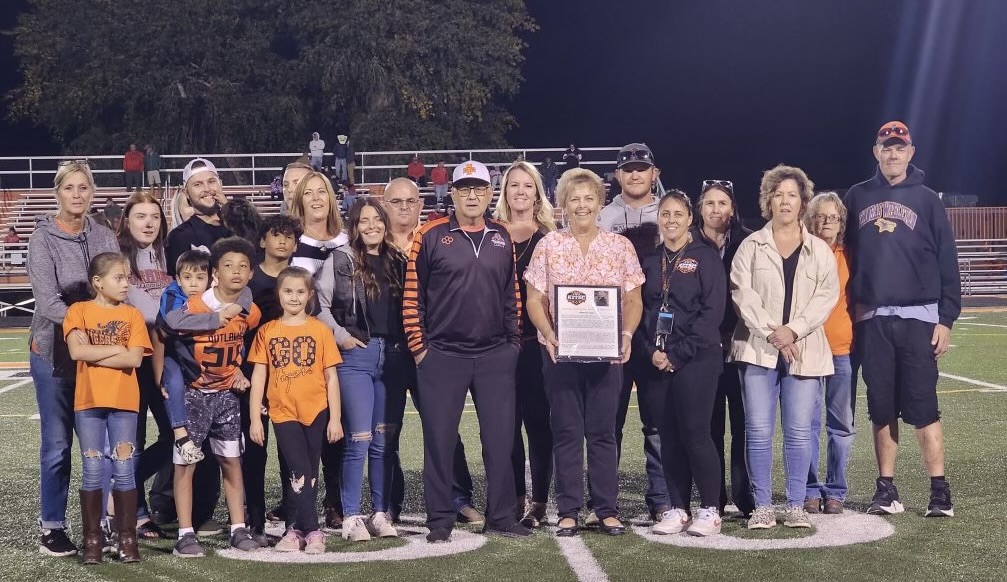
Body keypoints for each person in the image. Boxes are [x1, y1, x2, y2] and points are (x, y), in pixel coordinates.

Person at [403, 159, 529, 542]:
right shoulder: (428, 234)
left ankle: (502, 516)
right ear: (451, 194)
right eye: (464, 189)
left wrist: (512, 344)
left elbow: (513, 295)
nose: (472, 196)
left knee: (500, 439)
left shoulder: (501, 236)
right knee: (439, 440)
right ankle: (439, 520)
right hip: (442, 355)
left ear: (489, 194)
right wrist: (420, 349)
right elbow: (413, 298)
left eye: (479, 189)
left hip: (495, 356)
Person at [843, 121, 960, 517]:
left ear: (911, 153)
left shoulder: (928, 200)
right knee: (881, 408)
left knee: (924, 408)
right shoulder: (857, 196)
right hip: (872, 320)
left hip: (918, 319)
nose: (892, 153)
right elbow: (846, 256)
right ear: (875, 151)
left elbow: (948, 261)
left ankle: (939, 492)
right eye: (886, 147)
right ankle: (886, 489)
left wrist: (946, 319)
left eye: (899, 147)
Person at [524, 168, 644, 537]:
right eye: (573, 199)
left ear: (600, 202)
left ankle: (606, 509)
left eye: (588, 198)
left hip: (606, 355)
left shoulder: (620, 246)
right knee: (566, 432)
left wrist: (626, 334)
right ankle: (569, 510)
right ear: (562, 204)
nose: (581, 205)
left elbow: (633, 299)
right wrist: (548, 333)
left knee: (604, 433)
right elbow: (534, 299)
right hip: (561, 354)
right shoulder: (549, 245)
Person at [729, 164, 838, 530]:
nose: (786, 201)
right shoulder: (750, 246)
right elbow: (742, 295)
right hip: (757, 350)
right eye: (779, 195)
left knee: (798, 432)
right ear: (768, 201)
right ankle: (761, 506)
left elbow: (827, 296)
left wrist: (793, 330)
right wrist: (772, 332)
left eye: (792, 195)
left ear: (803, 201)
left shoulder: (819, 250)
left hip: (805, 350)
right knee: (758, 430)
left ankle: (794, 505)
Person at [29, 160, 119, 557]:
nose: (77, 195)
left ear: (92, 191)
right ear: (57, 193)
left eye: (84, 188)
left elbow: (118, 286)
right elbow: (48, 302)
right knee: (57, 445)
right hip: (54, 351)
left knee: (97, 443)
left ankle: (99, 523)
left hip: (96, 351)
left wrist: (103, 334)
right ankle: (52, 525)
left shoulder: (103, 234)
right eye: (70, 188)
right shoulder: (42, 237)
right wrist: (87, 326)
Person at [382, 177, 482, 525]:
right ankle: (389, 503)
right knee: (386, 430)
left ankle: (458, 497)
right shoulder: (372, 245)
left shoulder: (437, 239)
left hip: (431, 350)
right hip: (389, 352)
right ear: (385, 206)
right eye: (397, 202)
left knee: (445, 428)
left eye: (411, 201)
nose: (405, 207)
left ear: (421, 205)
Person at [316, 199, 409, 541]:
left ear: (385, 223)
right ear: (353, 226)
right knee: (359, 439)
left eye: (377, 220)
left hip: (394, 357)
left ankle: (380, 513)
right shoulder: (340, 259)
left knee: (385, 442)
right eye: (363, 221)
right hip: (357, 356)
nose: (372, 226)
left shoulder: (398, 260)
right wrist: (341, 336)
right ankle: (351, 516)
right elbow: (318, 304)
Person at [165, 237, 262, 558]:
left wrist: (241, 369)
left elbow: (250, 342)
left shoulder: (251, 311)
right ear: (215, 274)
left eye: (243, 266)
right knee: (185, 465)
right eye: (228, 266)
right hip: (194, 396)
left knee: (232, 462)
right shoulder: (195, 306)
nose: (236, 272)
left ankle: (238, 528)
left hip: (227, 398)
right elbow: (169, 335)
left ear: (250, 274)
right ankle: (185, 533)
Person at [638, 192, 726, 536]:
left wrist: (677, 354)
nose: (671, 219)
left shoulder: (706, 258)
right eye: (665, 213)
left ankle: (710, 509)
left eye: (678, 213)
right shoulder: (650, 260)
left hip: (696, 360)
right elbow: (640, 313)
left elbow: (711, 314)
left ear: (690, 218)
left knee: (696, 434)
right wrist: (652, 352)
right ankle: (677, 507)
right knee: (668, 436)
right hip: (657, 361)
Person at [64, 252, 153, 564]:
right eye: (119, 278)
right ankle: (93, 539)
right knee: (92, 468)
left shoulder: (132, 315)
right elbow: (76, 351)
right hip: (88, 401)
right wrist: (116, 347)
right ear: (98, 283)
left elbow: (135, 359)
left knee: (124, 468)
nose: (126, 283)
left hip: (125, 401)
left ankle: (127, 538)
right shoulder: (78, 311)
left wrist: (97, 351)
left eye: (127, 277)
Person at [249, 266, 344, 554]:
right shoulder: (267, 331)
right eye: (288, 291)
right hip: (282, 411)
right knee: (298, 468)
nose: (294, 297)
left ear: (310, 295)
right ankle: (312, 529)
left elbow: (331, 377)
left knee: (308, 471)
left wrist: (336, 418)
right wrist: (255, 417)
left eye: (300, 291)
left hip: (317, 410)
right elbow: (259, 376)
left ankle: (295, 529)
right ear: (278, 295)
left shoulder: (320, 330)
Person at [598, 143, 669, 524]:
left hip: (658, 325)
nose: (635, 174)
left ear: (654, 173)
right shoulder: (603, 217)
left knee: (656, 422)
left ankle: (660, 498)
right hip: (614, 328)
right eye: (628, 169)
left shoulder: (670, 211)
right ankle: (605, 501)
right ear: (618, 176)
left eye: (642, 168)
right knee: (610, 421)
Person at [493, 161, 557, 528]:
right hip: (499, 344)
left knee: (538, 422)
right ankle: (515, 496)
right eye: (513, 185)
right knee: (506, 424)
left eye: (527, 185)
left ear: (537, 192)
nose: (520, 191)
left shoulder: (550, 236)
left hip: (537, 343)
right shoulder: (491, 233)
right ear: (505, 192)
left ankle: (540, 500)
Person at [694, 179, 756, 518]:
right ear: (700, 208)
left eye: (723, 203)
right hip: (704, 348)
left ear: (732, 208)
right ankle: (713, 496)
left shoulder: (748, 241)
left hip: (742, 344)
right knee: (710, 424)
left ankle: (745, 497)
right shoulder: (688, 243)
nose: (716, 210)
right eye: (710, 203)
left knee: (744, 424)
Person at [116, 192, 175, 540]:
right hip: (132, 356)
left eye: (154, 216)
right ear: (127, 221)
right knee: (132, 437)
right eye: (140, 216)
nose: (149, 222)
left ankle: (124, 485)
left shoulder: (167, 254)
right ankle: (135, 514)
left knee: (179, 434)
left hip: (166, 355)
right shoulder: (118, 258)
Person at [242, 214, 303, 534]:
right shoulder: (248, 281)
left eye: (289, 236)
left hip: (291, 377)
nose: (283, 241)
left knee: (290, 451)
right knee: (254, 449)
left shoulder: (300, 281)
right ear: (262, 240)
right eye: (276, 235)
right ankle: (254, 517)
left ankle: (293, 516)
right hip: (251, 375)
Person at [803, 192, 855, 515]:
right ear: (811, 219)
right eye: (821, 216)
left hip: (842, 350)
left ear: (841, 223)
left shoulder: (850, 255)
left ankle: (835, 490)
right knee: (806, 423)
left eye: (833, 217)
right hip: (809, 349)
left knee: (841, 425)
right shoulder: (802, 253)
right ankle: (809, 489)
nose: (827, 222)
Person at [164, 158, 231, 277]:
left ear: (220, 183)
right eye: (197, 184)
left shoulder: (239, 226)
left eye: (211, 181)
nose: (207, 189)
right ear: (186, 193)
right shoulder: (180, 236)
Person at [289, 171, 349, 276]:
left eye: (321, 191)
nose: (316, 197)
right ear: (300, 201)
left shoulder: (348, 241)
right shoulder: (290, 243)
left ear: (330, 199)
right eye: (308, 193)